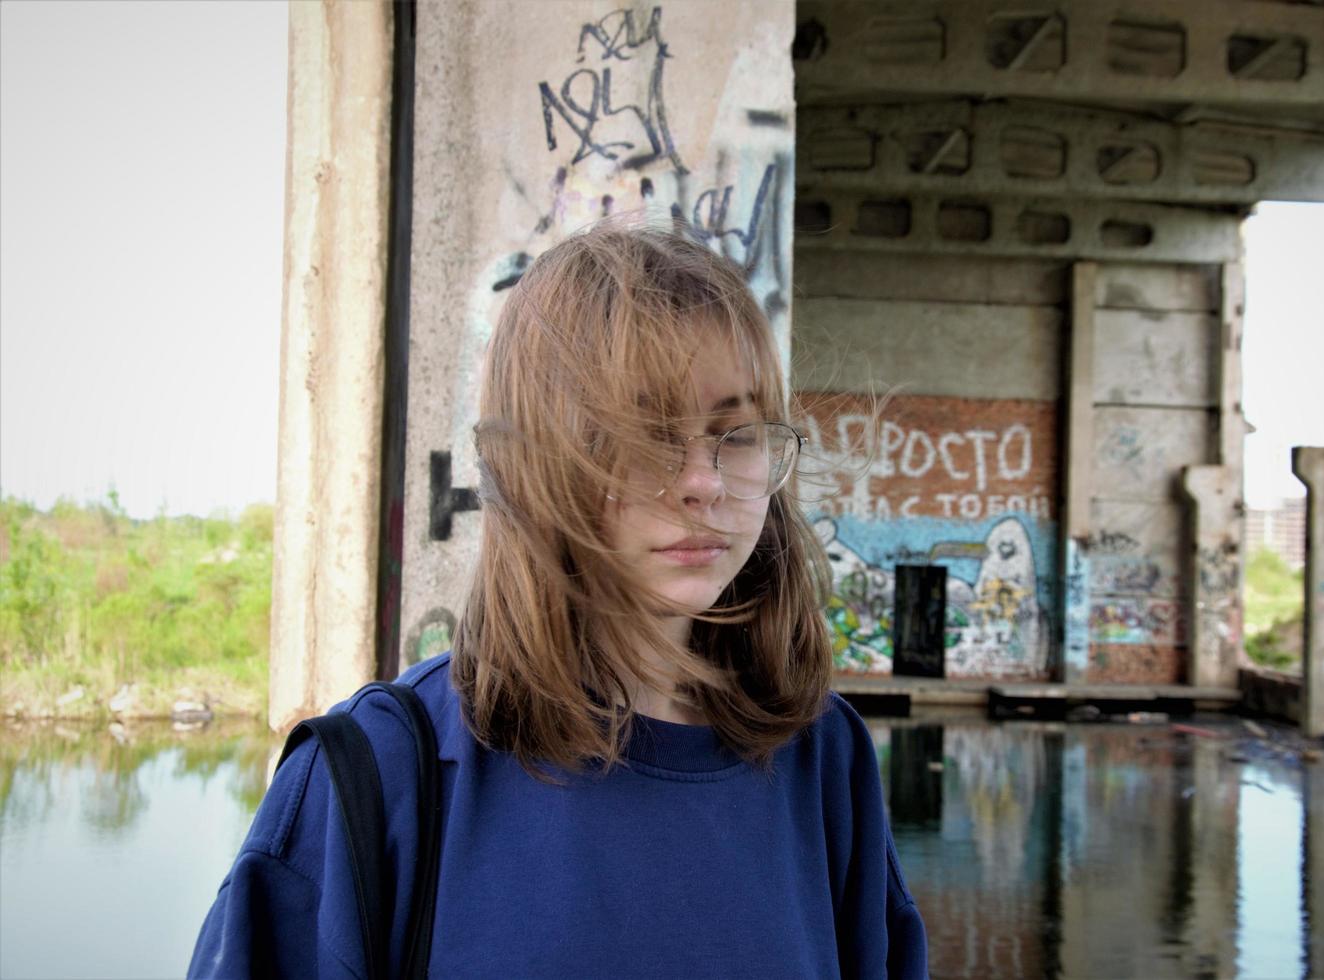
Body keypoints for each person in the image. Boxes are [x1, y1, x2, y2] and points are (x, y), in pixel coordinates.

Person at [190, 223, 929, 978]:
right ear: (534, 460)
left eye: (735, 433)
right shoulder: (378, 773)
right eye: (645, 431)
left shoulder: (823, 757)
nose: (703, 480)